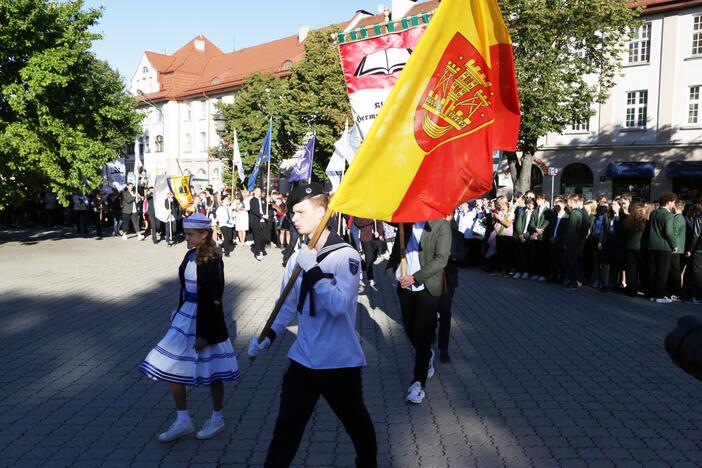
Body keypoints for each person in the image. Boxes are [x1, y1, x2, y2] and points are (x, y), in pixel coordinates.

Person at [248, 183, 377, 468]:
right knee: (286, 430)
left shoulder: (346, 256)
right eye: (292, 212)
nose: (293, 218)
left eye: (300, 212)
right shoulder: (297, 256)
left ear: (322, 212)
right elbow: (286, 305)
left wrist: (314, 270)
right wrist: (268, 336)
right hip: (304, 359)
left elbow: (340, 306)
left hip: (339, 362)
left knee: (357, 425)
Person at [139, 213, 239, 442]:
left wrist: (204, 333)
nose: (187, 238)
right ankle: (183, 420)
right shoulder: (189, 254)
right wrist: (178, 308)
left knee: (213, 371)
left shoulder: (213, 259)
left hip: (206, 319)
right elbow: (184, 288)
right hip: (185, 316)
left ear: (204, 234)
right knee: (172, 366)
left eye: (190, 234)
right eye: (186, 234)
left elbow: (215, 297)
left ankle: (216, 419)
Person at [386, 218, 451, 404]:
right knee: (409, 330)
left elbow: (441, 259)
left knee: (422, 335)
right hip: (404, 286)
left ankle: (418, 384)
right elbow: (397, 249)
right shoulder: (404, 222)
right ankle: (427, 354)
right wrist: (390, 269)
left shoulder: (441, 225)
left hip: (427, 287)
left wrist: (415, 277)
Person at [646, 192, 678, 303]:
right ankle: (659, 295)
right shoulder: (668, 215)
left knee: (653, 271)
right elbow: (669, 232)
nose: (674, 205)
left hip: (652, 245)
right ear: (669, 202)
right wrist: (674, 245)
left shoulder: (654, 212)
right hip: (664, 247)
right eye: (673, 202)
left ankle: (651, 294)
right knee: (662, 272)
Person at [354, 217, 384, 287]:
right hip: (365, 238)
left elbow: (380, 221)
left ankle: (364, 266)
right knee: (368, 259)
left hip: (375, 237)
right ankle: (371, 278)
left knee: (374, 257)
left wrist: (380, 233)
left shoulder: (374, 210)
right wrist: (371, 220)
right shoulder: (360, 212)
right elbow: (357, 223)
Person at [249, 187, 267, 261]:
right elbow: (254, 210)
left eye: (260, 191)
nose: (259, 192)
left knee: (263, 237)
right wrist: (262, 215)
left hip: (262, 220)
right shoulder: (252, 200)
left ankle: (261, 249)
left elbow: (265, 208)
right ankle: (257, 253)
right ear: (254, 192)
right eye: (257, 191)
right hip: (255, 221)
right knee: (257, 237)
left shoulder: (262, 200)